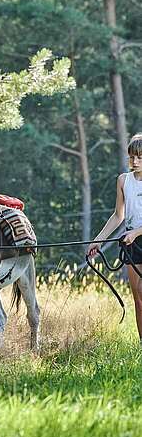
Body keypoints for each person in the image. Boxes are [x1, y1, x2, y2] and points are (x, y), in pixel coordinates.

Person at [87, 133, 142, 342]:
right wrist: (98, 240)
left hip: (135, 235)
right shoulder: (123, 180)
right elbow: (118, 215)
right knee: (138, 298)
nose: (134, 162)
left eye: (139, 157)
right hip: (131, 243)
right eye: (131, 157)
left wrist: (136, 232)